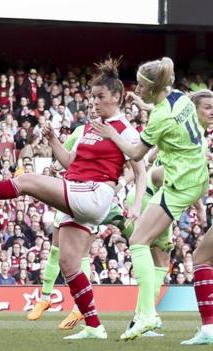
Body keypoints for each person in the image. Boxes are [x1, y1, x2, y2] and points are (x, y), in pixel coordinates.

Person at [0, 58, 145, 340]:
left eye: (100, 97)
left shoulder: (125, 130)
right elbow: (70, 163)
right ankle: (95, 326)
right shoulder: (89, 128)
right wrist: (54, 139)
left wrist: (134, 204)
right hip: (78, 190)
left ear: (117, 97)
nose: (94, 102)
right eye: (92, 97)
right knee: (69, 263)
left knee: (25, 181)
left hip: (95, 195)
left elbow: (140, 171)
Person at [92, 58, 208, 340]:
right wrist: (145, 107)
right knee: (158, 247)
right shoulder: (181, 98)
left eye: (142, 85)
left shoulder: (160, 117)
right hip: (196, 177)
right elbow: (163, 110)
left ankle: (145, 315)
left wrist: (111, 133)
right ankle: (147, 314)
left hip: (178, 185)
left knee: (138, 241)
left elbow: (134, 154)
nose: (138, 89)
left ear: (153, 86)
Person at [27, 120, 143, 331]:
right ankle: (45, 298)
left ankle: (80, 309)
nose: (93, 108)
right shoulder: (81, 131)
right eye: (90, 103)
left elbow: (133, 167)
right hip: (71, 192)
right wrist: (54, 166)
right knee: (56, 248)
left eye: (96, 102)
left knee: (82, 253)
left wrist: (121, 184)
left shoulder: (117, 132)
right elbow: (68, 158)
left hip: (97, 197)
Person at [179, 89, 213, 345]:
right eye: (208, 107)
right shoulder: (197, 135)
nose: (212, 111)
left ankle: (209, 328)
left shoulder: (195, 137)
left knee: (201, 259)